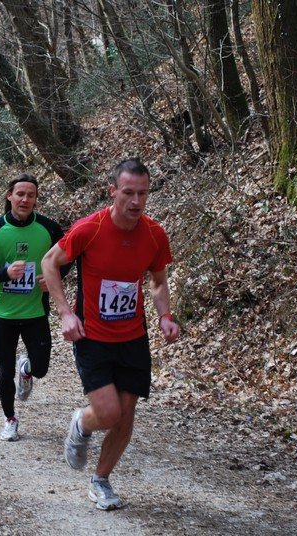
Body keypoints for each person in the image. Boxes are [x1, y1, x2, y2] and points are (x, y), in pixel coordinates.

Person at [41, 158, 181, 510]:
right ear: (112, 191)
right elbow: (49, 262)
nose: (136, 201)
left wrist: (165, 316)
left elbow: (158, 282)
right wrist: (66, 313)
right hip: (92, 335)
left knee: (126, 414)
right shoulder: (91, 228)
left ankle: (100, 480)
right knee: (108, 413)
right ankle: (82, 422)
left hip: (133, 337)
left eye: (143, 193)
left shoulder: (154, 234)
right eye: (128, 192)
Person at [0, 173, 67, 442]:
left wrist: (54, 278)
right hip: (4, 313)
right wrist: (4, 274)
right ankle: (10, 419)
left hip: (35, 312)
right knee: (4, 370)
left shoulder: (49, 229)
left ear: (36, 199)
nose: (25, 199)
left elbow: (67, 257)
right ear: (10, 196)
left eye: (31, 195)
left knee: (41, 368)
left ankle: (26, 370)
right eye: (20, 194)